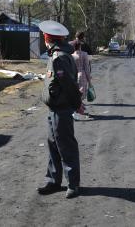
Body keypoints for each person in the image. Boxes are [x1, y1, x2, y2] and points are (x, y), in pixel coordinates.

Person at [37, 20, 82, 199]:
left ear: (48, 38)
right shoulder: (55, 54)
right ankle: (53, 180)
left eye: (45, 37)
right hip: (54, 108)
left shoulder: (60, 57)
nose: (44, 39)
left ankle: (73, 184)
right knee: (53, 145)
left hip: (61, 109)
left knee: (66, 146)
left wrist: (77, 103)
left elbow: (69, 84)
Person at [71, 40, 92, 120]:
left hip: (74, 76)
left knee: (76, 94)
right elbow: (86, 68)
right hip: (82, 75)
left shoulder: (71, 55)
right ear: (79, 46)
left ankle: (78, 110)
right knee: (81, 94)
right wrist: (89, 81)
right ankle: (78, 111)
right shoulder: (84, 54)